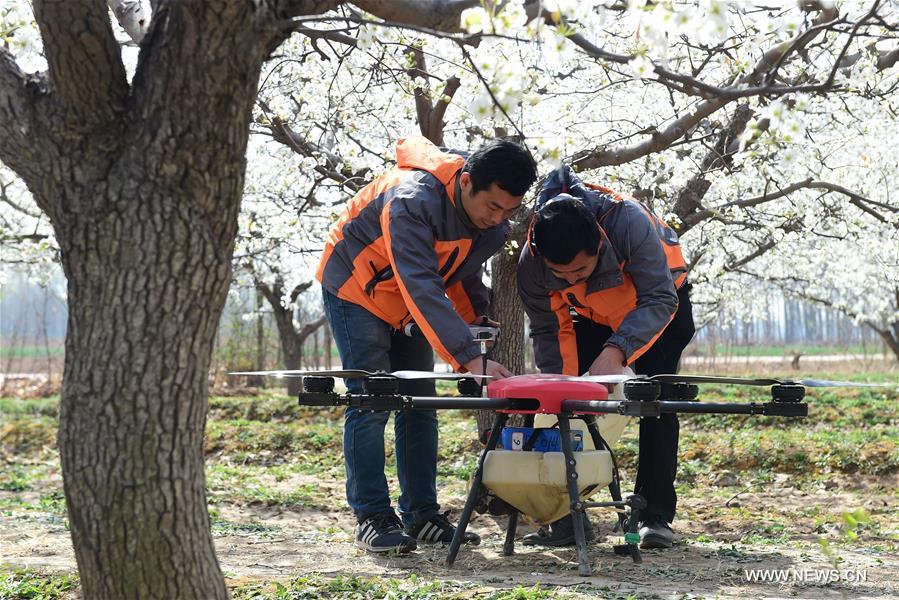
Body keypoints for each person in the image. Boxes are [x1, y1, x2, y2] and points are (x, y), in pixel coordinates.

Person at [317, 136, 538, 553]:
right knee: (372, 399)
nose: (498, 218)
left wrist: (474, 322)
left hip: (407, 301)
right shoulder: (410, 201)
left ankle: (421, 514)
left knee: (420, 403)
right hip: (355, 288)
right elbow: (421, 283)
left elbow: (458, 273)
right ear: (468, 181)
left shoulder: (490, 226)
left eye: (509, 210)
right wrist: (469, 359)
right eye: (493, 206)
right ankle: (372, 516)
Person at [516, 165, 695, 549]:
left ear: (599, 242)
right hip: (594, 316)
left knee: (654, 403)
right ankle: (564, 515)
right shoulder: (531, 263)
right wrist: (563, 389)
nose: (570, 280)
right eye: (559, 274)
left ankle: (653, 515)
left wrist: (617, 351)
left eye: (580, 269)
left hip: (661, 306)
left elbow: (660, 298)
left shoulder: (626, 221)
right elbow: (549, 330)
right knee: (568, 406)